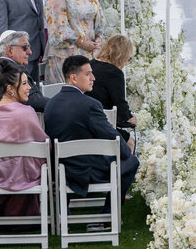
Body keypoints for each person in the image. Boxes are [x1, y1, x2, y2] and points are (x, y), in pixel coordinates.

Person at [44, 53, 138, 202]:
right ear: (74, 78)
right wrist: (126, 152)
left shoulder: (50, 104)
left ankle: (65, 212)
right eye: (88, 74)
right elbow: (111, 135)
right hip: (86, 172)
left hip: (59, 170)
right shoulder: (90, 105)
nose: (93, 78)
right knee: (132, 161)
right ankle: (106, 217)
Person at [0, 63, 49, 215]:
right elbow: (43, 145)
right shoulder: (27, 112)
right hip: (26, 174)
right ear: (10, 88)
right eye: (25, 84)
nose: (29, 88)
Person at [44, 0, 101, 82]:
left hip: (89, 53)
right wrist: (82, 43)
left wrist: (98, 37)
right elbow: (59, 29)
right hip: (67, 58)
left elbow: (98, 14)